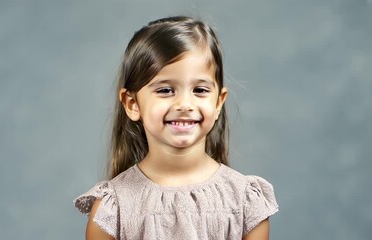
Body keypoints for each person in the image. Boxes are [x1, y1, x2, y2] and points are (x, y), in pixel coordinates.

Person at [74, 16, 278, 240]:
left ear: (219, 102)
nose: (184, 105)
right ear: (132, 104)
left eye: (200, 90)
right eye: (165, 90)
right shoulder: (112, 210)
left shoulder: (245, 202)